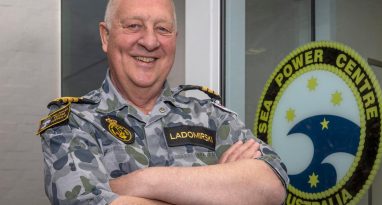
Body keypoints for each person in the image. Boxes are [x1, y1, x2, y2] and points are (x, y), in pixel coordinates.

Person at [37, 0, 289, 204]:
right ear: (106, 36)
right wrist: (218, 190)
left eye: (163, 29)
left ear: (174, 39)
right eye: (134, 26)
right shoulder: (72, 123)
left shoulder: (211, 116)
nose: (150, 41)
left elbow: (272, 185)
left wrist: (144, 182)